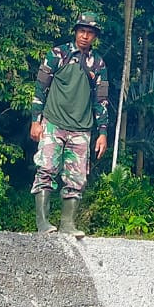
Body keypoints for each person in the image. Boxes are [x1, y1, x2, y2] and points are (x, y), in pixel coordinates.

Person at [30, 13, 110, 237]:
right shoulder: (58, 54)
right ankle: (43, 223)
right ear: (75, 31)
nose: (85, 36)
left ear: (95, 36)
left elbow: (101, 100)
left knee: (76, 178)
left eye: (90, 32)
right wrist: (36, 120)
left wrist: (102, 133)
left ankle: (67, 224)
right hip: (53, 122)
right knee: (46, 170)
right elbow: (40, 88)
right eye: (82, 31)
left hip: (81, 128)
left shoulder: (98, 63)